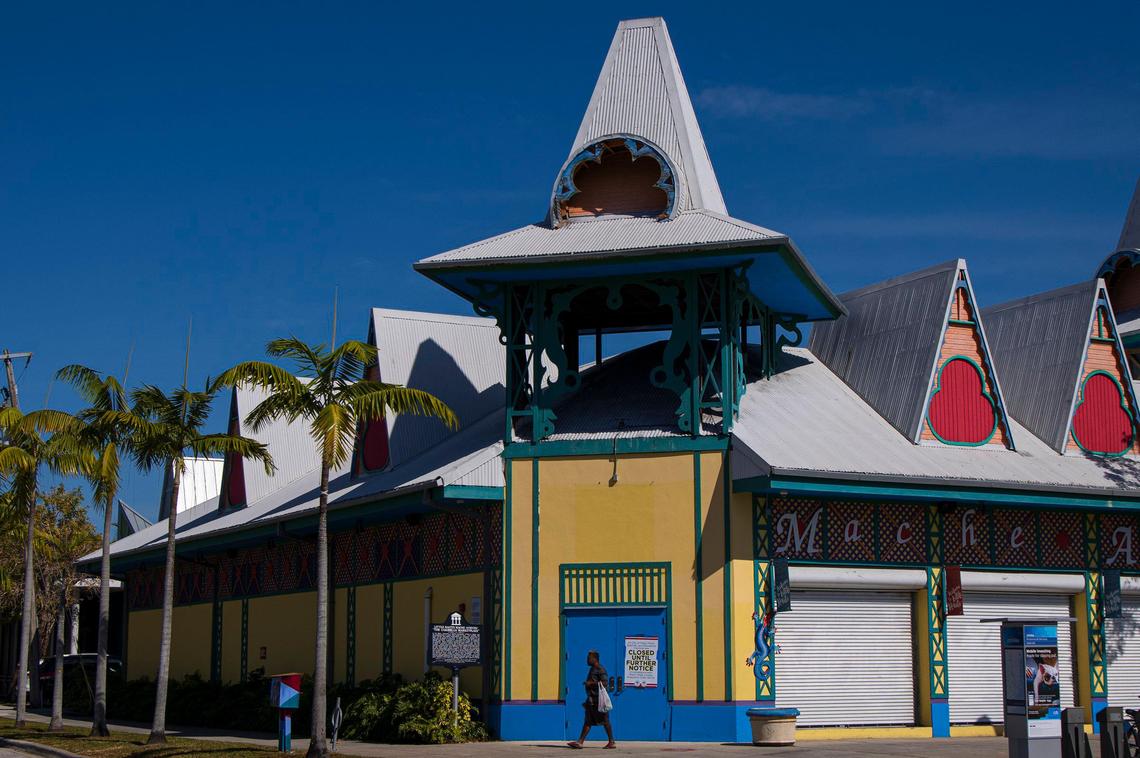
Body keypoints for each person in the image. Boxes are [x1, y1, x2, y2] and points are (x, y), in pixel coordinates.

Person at [567, 650, 616, 749]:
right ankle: (580, 742)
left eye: (589, 658)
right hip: (591, 700)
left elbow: (605, 683)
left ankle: (611, 742)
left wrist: (590, 683)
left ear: (595, 659)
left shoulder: (599, 669)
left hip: (598, 701)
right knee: (588, 721)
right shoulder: (593, 668)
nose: (587, 660)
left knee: (605, 720)